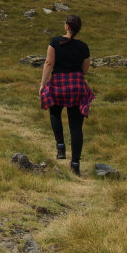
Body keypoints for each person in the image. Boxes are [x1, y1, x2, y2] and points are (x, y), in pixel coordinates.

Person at [39, 14, 93, 175]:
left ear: (67, 26)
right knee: (76, 126)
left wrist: (42, 84)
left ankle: (60, 146)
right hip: (77, 85)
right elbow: (84, 70)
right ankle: (75, 164)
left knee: (54, 112)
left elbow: (49, 63)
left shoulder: (55, 42)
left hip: (58, 83)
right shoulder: (83, 47)